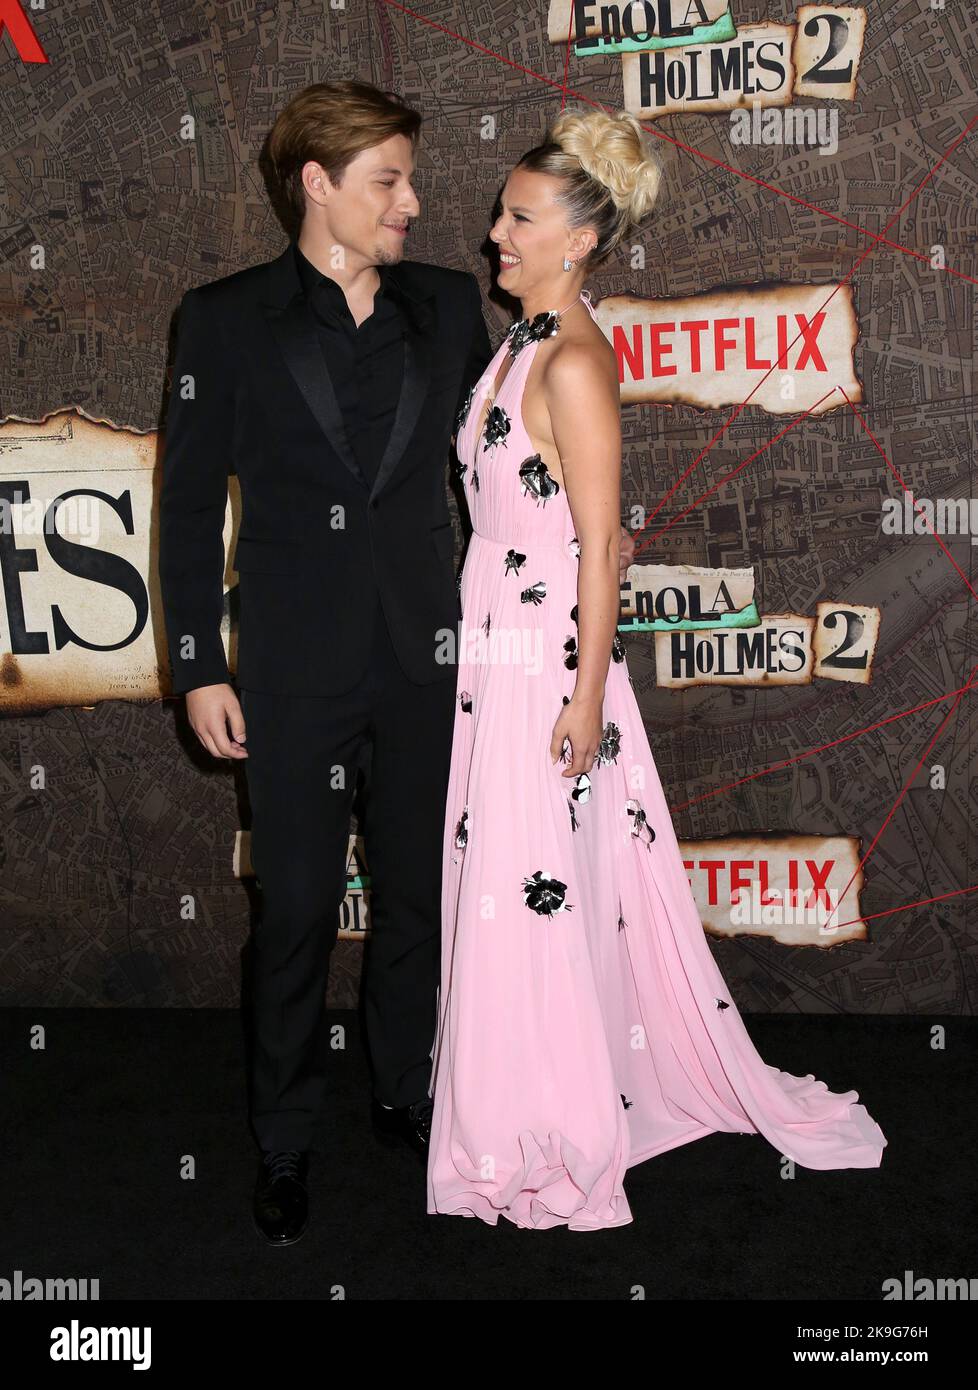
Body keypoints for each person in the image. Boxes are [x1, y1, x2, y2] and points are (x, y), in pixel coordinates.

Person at [158, 81, 635, 1247]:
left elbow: (520, 458)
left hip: (440, 663)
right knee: (297, 914)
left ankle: (407, 1095)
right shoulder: (220, 320)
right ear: (317, 186)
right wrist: (196, 666)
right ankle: (282, 1140)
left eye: (412, 179)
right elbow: (180, 509)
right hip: (288, 672)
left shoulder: (444, 309)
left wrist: (600, 537)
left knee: (424, 903)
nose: (417, 206)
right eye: (389, 182)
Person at [427, 107, 887, 1231]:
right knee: (507, 886)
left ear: (579, 240)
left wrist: (584, 693)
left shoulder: (576, 359)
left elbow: (596, 552)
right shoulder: (522, 341)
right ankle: (509, 1105)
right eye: (502, 210)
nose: (495, 230)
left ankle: (548, 1125)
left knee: (533, 888)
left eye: (520, 217)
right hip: (499, 637)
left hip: (544, 654)